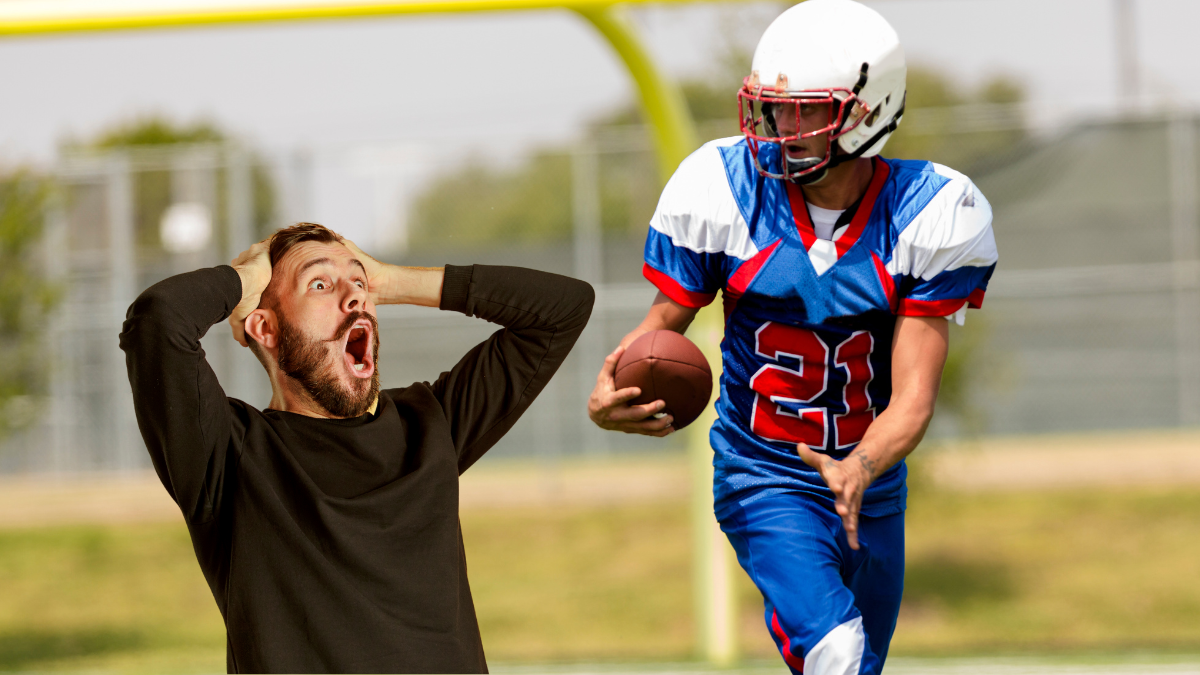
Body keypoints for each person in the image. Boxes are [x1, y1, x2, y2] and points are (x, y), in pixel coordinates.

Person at [587, 1, 998, 673]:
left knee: (856, 663)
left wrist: (860, 467)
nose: (786, 127)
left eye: (810, 109)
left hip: (873, 481)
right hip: (763, 470)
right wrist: (613, 392)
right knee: (837, 649)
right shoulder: (724, 187)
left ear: (868, 110)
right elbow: (658, 332)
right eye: (777, 108)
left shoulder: (930, 212)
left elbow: (914, 398)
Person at [120, 222, 593, 673]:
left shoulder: (430, 425)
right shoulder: (229, 458)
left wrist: (390, 280)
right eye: (320, 286)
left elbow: (562, 308)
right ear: (265, 329)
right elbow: (158, 320)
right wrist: (249, 276)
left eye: (359, 283)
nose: (355, 298)